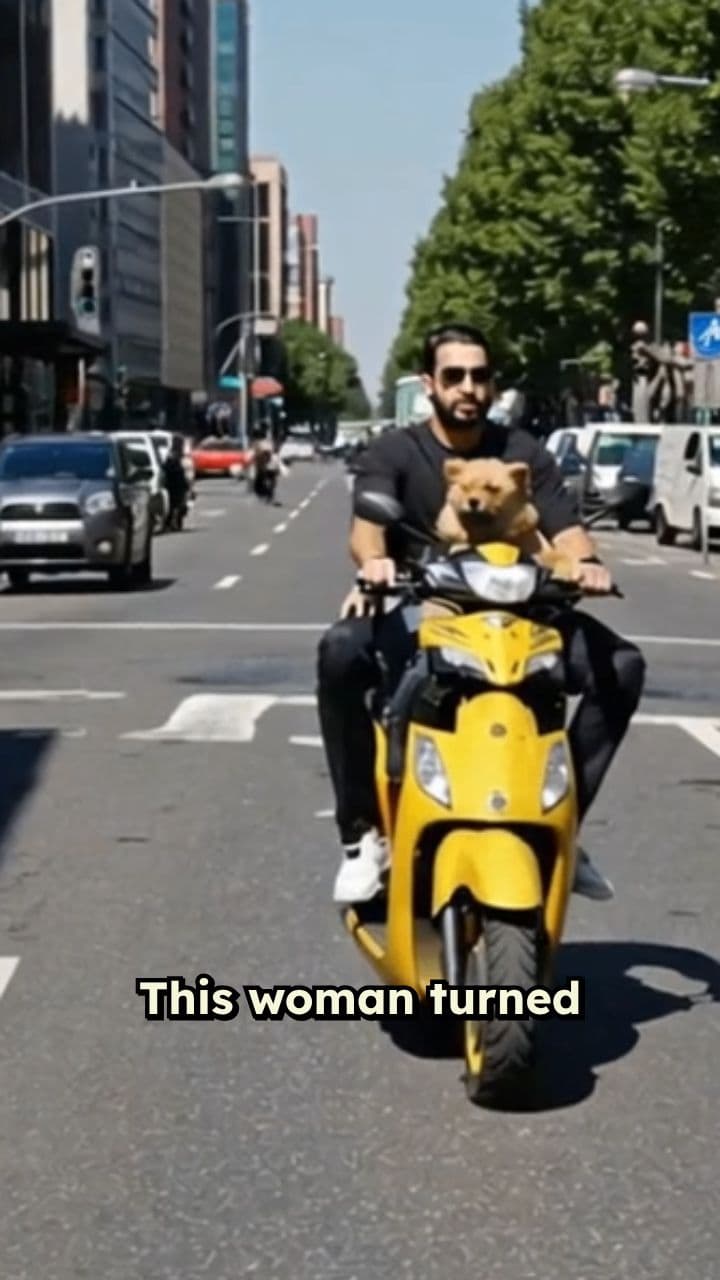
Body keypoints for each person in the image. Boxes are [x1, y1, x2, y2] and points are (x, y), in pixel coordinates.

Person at [316, 322, 646, 906]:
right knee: (341, 652)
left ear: (493, 385)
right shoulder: (394, 451)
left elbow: (567, 532)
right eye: (454, 376)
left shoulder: (524, 455)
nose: (468, 387)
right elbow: (366, 533)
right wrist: (375, 568)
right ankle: (362, 833)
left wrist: (587, 566)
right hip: (425, 607)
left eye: (480, 376)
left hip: (525, 614)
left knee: (620, 665)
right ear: (430, 384)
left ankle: (564, 823)